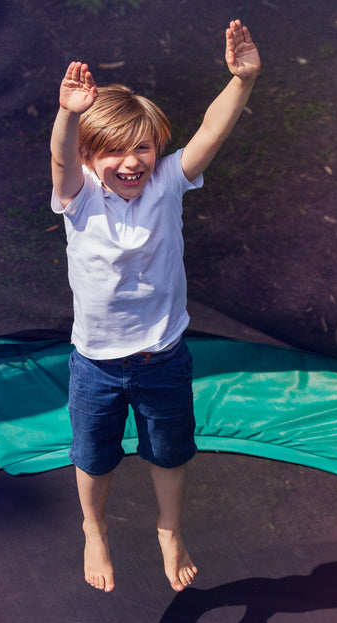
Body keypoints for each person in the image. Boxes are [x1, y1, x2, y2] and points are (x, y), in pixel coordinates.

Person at [49, 20, 260, 594]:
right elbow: (61, 157)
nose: (131, 161)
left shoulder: (168, 181)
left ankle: (170, 531)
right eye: (113, 150)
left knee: (169, 454)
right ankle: (95, 528)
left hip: (163, 355)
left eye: (142, 146)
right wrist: (69, 114)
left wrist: (241, 81)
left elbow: (212, 133)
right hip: (95, 363)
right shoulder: (77, 196)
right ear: (92, 157)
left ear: (158, 149)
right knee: (93, 459)